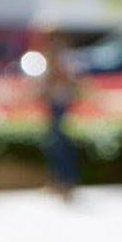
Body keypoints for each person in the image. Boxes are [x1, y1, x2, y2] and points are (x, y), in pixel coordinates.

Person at [38, 42, 81, 200]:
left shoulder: (65, 59)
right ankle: (57, 181)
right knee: (53, 145)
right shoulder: (47, 59)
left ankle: (67, 181)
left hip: (62, 107)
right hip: (53, 107)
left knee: (63, 145)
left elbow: (71, 82)